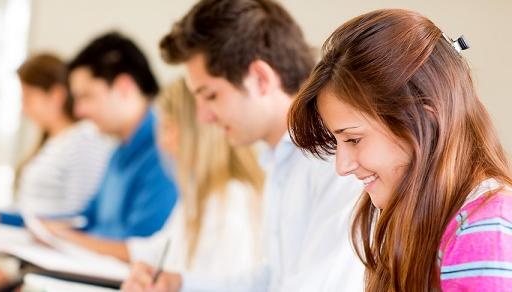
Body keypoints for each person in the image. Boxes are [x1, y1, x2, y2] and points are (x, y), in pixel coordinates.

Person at [122, 1, 364, 291]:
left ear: (261, 79)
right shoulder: (283, 158)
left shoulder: (336, 161)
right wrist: (180, 285)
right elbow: (272, 281)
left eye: (210, 95)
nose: (203, 116)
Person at [288, 8, 512, 291]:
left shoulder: (486, 229)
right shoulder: (426, 223)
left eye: (354, 140)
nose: (342, 166)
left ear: (425, 120)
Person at [70, 78, 265, 281]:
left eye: (168, 128)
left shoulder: (230, 202)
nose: (163, 141)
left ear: (199, 131)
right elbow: (155, 251)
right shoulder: (199, 195)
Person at [39, 32, 178, 248]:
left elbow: (140, 248)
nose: (78, 111)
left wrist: (68, 239)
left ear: (124, 87)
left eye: (86, 96)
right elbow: (85, 219)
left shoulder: (166, 150)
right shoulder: (118, 151)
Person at [0, 53, 111, 225]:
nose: (24, 108)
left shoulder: (83, 141)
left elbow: (76, 219)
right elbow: (31, 210)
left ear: (56, 95)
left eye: (28, 97)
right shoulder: (53, 143)